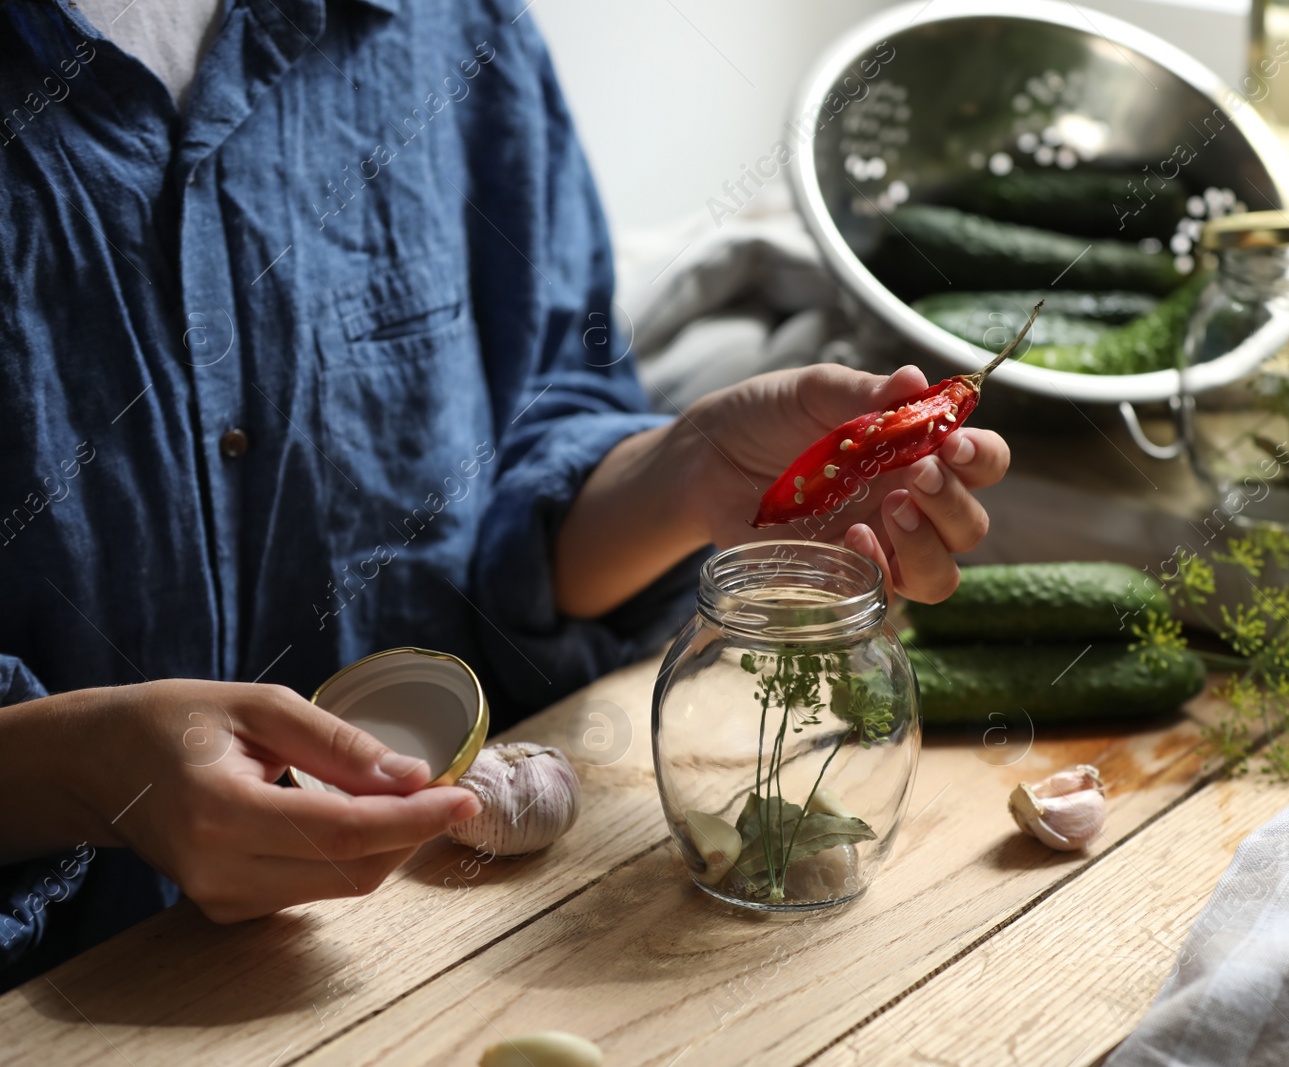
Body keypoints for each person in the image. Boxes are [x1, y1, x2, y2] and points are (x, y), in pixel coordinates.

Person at [0, 0, 1009, 989]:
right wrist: (78, 768)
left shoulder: (452, 24)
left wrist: (685, 472)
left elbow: (538, 423)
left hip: (423, 951)